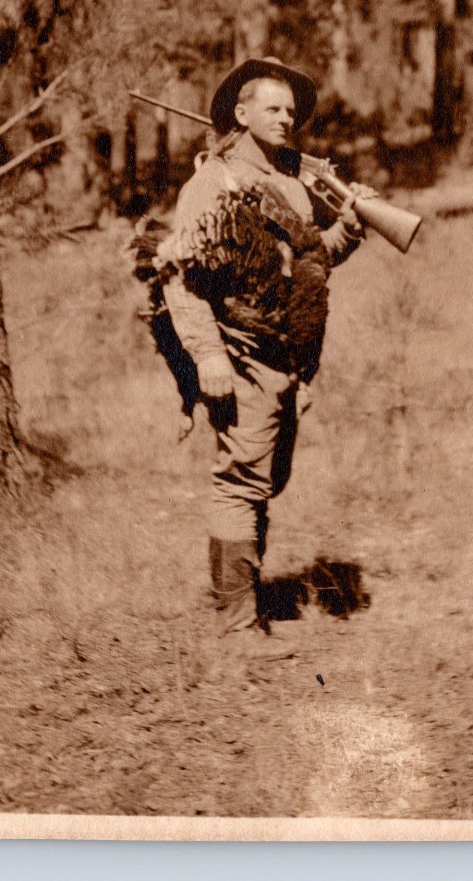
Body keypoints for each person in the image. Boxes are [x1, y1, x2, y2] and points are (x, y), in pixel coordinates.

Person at [160, 56, 365, 655]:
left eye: (291, 111)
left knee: (267, 479)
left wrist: (348, 229)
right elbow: (180, 277)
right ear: (241, 114)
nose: (285, 118)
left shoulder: (293, 184)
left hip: (285, 356)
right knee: (241, 482)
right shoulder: (213, 183)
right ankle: (239, 629)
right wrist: (209, 359)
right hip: (238, 351)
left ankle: (247, 601)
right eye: (271, 108)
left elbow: (305, 267)